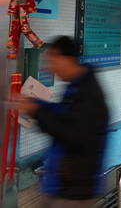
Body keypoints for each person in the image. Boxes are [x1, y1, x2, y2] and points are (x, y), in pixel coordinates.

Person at [19, 36, 108, 208]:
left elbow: (73, 134)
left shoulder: (88, 94)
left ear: (68, 59)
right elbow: (63, 114)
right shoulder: (76, 87)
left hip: (74, 190)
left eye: (53, 61)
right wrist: (37, 106)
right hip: (64, 186)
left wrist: (37, 111)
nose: (50, 68)